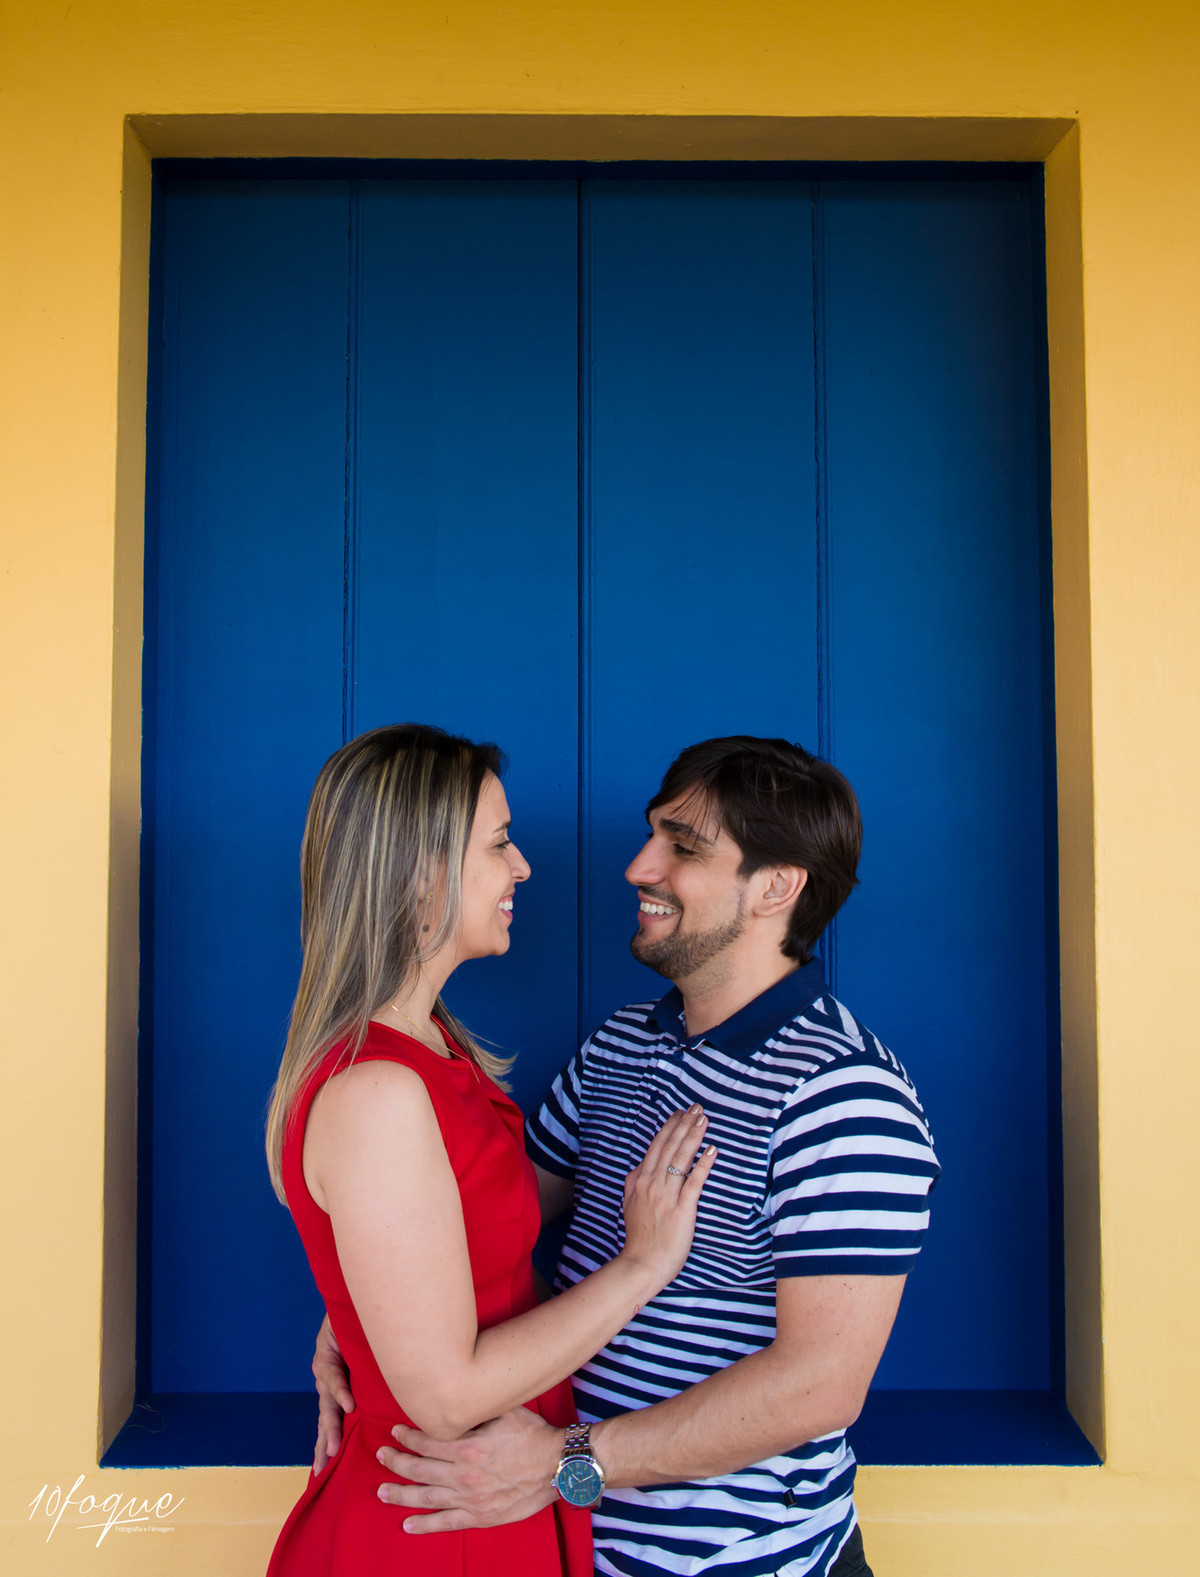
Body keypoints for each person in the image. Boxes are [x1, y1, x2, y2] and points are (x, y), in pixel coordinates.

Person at [314, 734, 941, 1577]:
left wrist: (568, 1462)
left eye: (682, 848)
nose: (639, 866)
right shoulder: (619, 1046)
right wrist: (371, 1303)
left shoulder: (844, 1093)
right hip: (553, 1543)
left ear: (777, 888)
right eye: (653, 835)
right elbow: (482, 1214)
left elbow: (818, 1384)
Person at [264, 723, 717, 1577]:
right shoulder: (379, 1091)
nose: (522, 868)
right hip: (438, 1524)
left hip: (490, 1496)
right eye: (499, 843)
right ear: (420, 870)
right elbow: (445, 1398)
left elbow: (454, 1232)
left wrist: (364, 1305)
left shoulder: (434, 1044)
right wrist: (644, 1262)